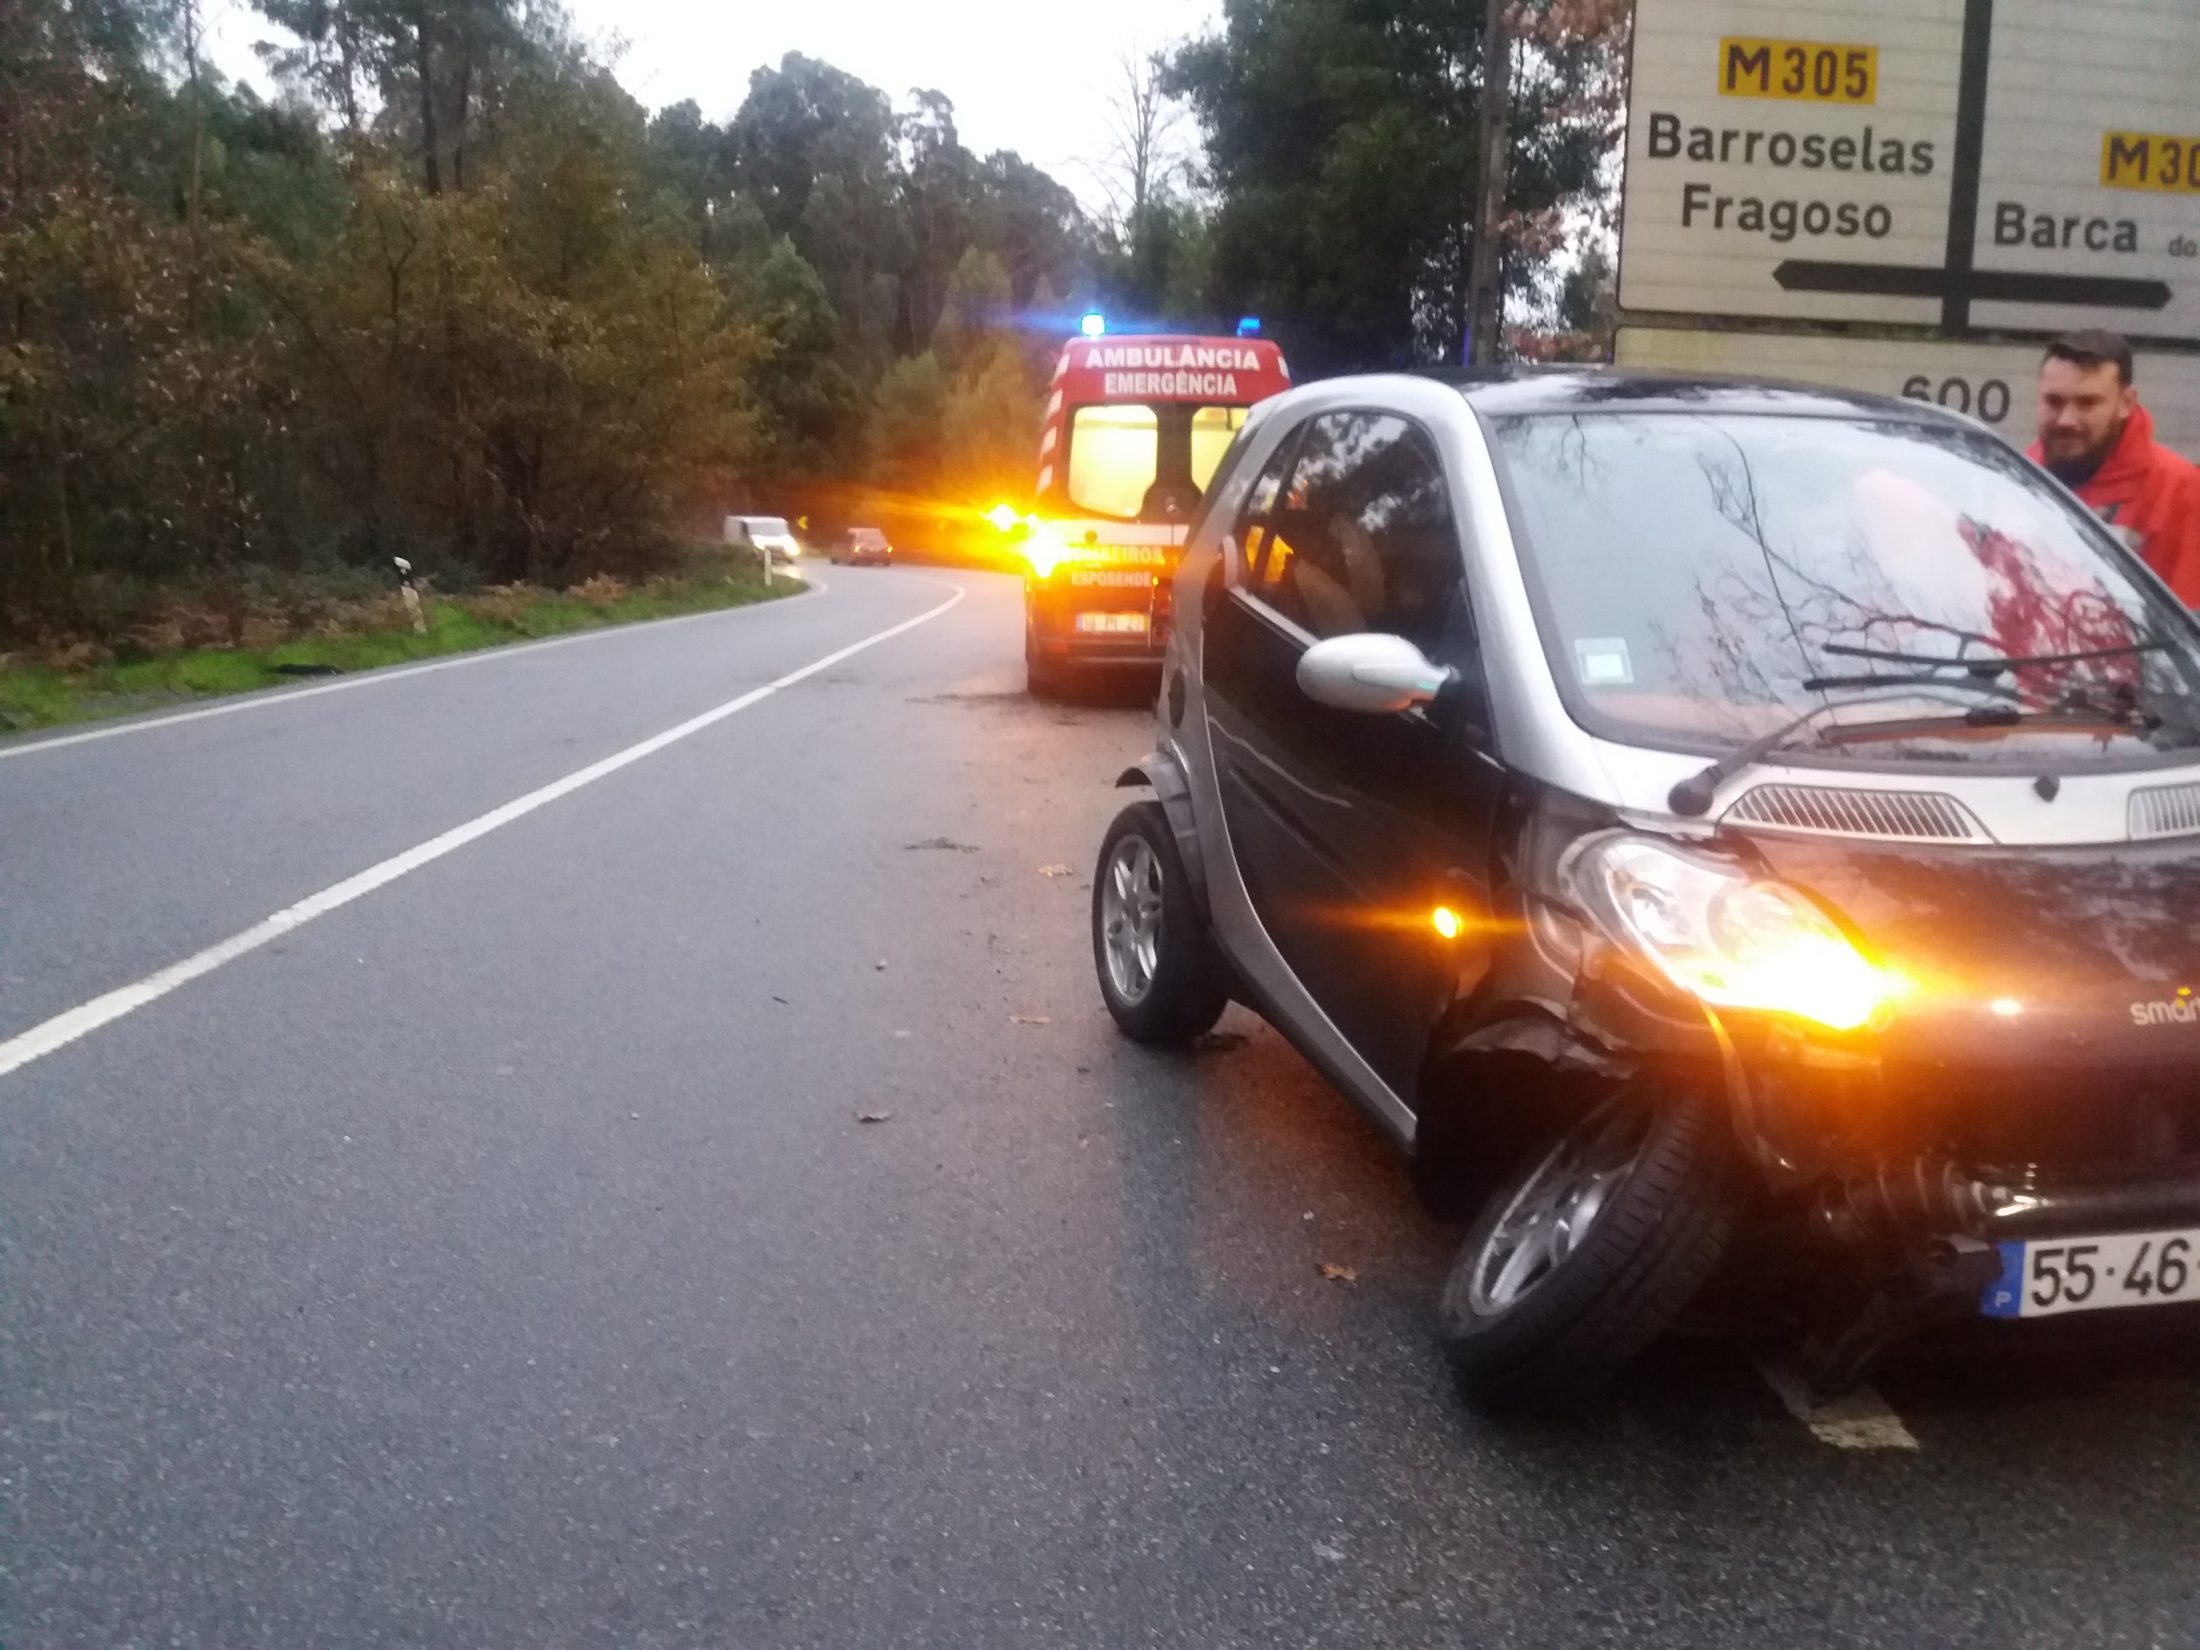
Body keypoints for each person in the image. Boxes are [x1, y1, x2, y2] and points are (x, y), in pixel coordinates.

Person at [2029, 329, 2200, 605]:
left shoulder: (2180, 490)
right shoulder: (2017, 476)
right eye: (2053, 401)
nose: (2066, 420)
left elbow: (2190, 626)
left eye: (2087, 403)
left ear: (2125, 403)